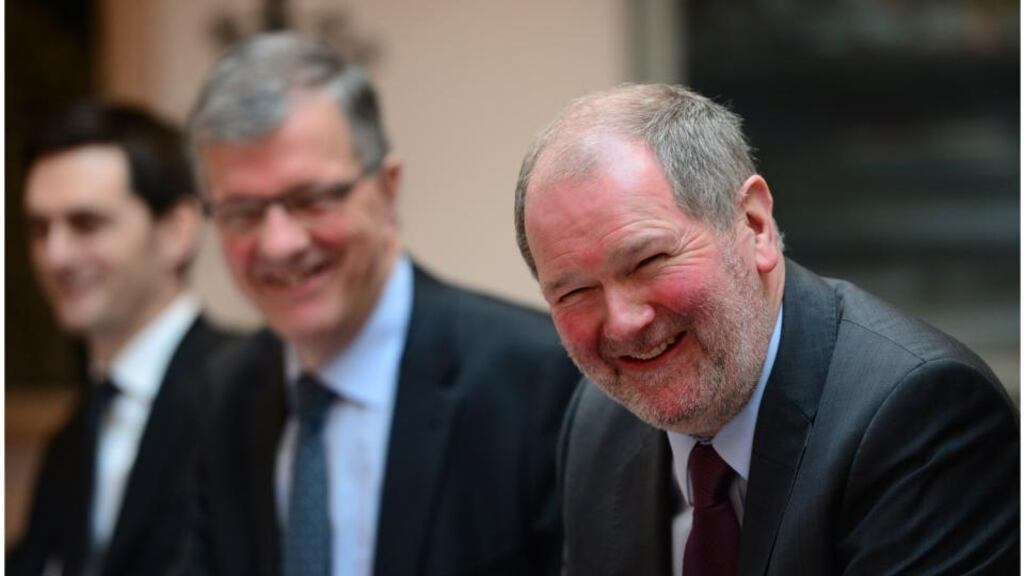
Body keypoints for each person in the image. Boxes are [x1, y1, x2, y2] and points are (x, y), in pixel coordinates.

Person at [514, 83, 1019, 575]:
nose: (624, 322)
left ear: (753, 225)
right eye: (574, 292)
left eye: (648, 260)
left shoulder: (920, 413)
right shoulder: (597, 422)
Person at [185, 33, 579, 576]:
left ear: (388, 189)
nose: (278, 243)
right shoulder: (224, 394)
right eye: (242, 212)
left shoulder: (535, 380)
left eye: (311, 200)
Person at [8, 102, 237, 576]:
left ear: (177, 230)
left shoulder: (247, 392)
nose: (55, 255)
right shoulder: (76, 429)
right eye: (39, 228)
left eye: (86, 224)